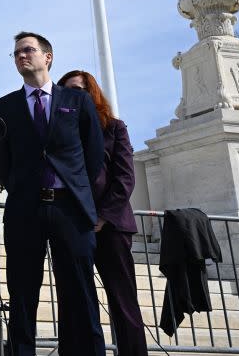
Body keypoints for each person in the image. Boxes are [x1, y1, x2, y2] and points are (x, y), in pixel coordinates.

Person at [0, 32, 105, 356]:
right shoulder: (5, 106)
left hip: (70, 210)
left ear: (47, 57)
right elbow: (2, 159)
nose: (21, 56)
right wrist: (24, 188)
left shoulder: (76, 101)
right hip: (26, 210)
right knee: (23, 295)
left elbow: (93, 155)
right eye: (16, 53)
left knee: (80, 293)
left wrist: (74, 187)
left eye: (28, 50)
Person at [58, 70, 148, 356]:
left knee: (122, 301)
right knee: (76, 300)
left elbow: (124, 178)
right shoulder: (60, 131)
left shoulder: (115, 127)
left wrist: (102, 216)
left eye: (79, 90)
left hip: (110, 226)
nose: (74, 96)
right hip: (73, 224)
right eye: (67, 91)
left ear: (92, 93)